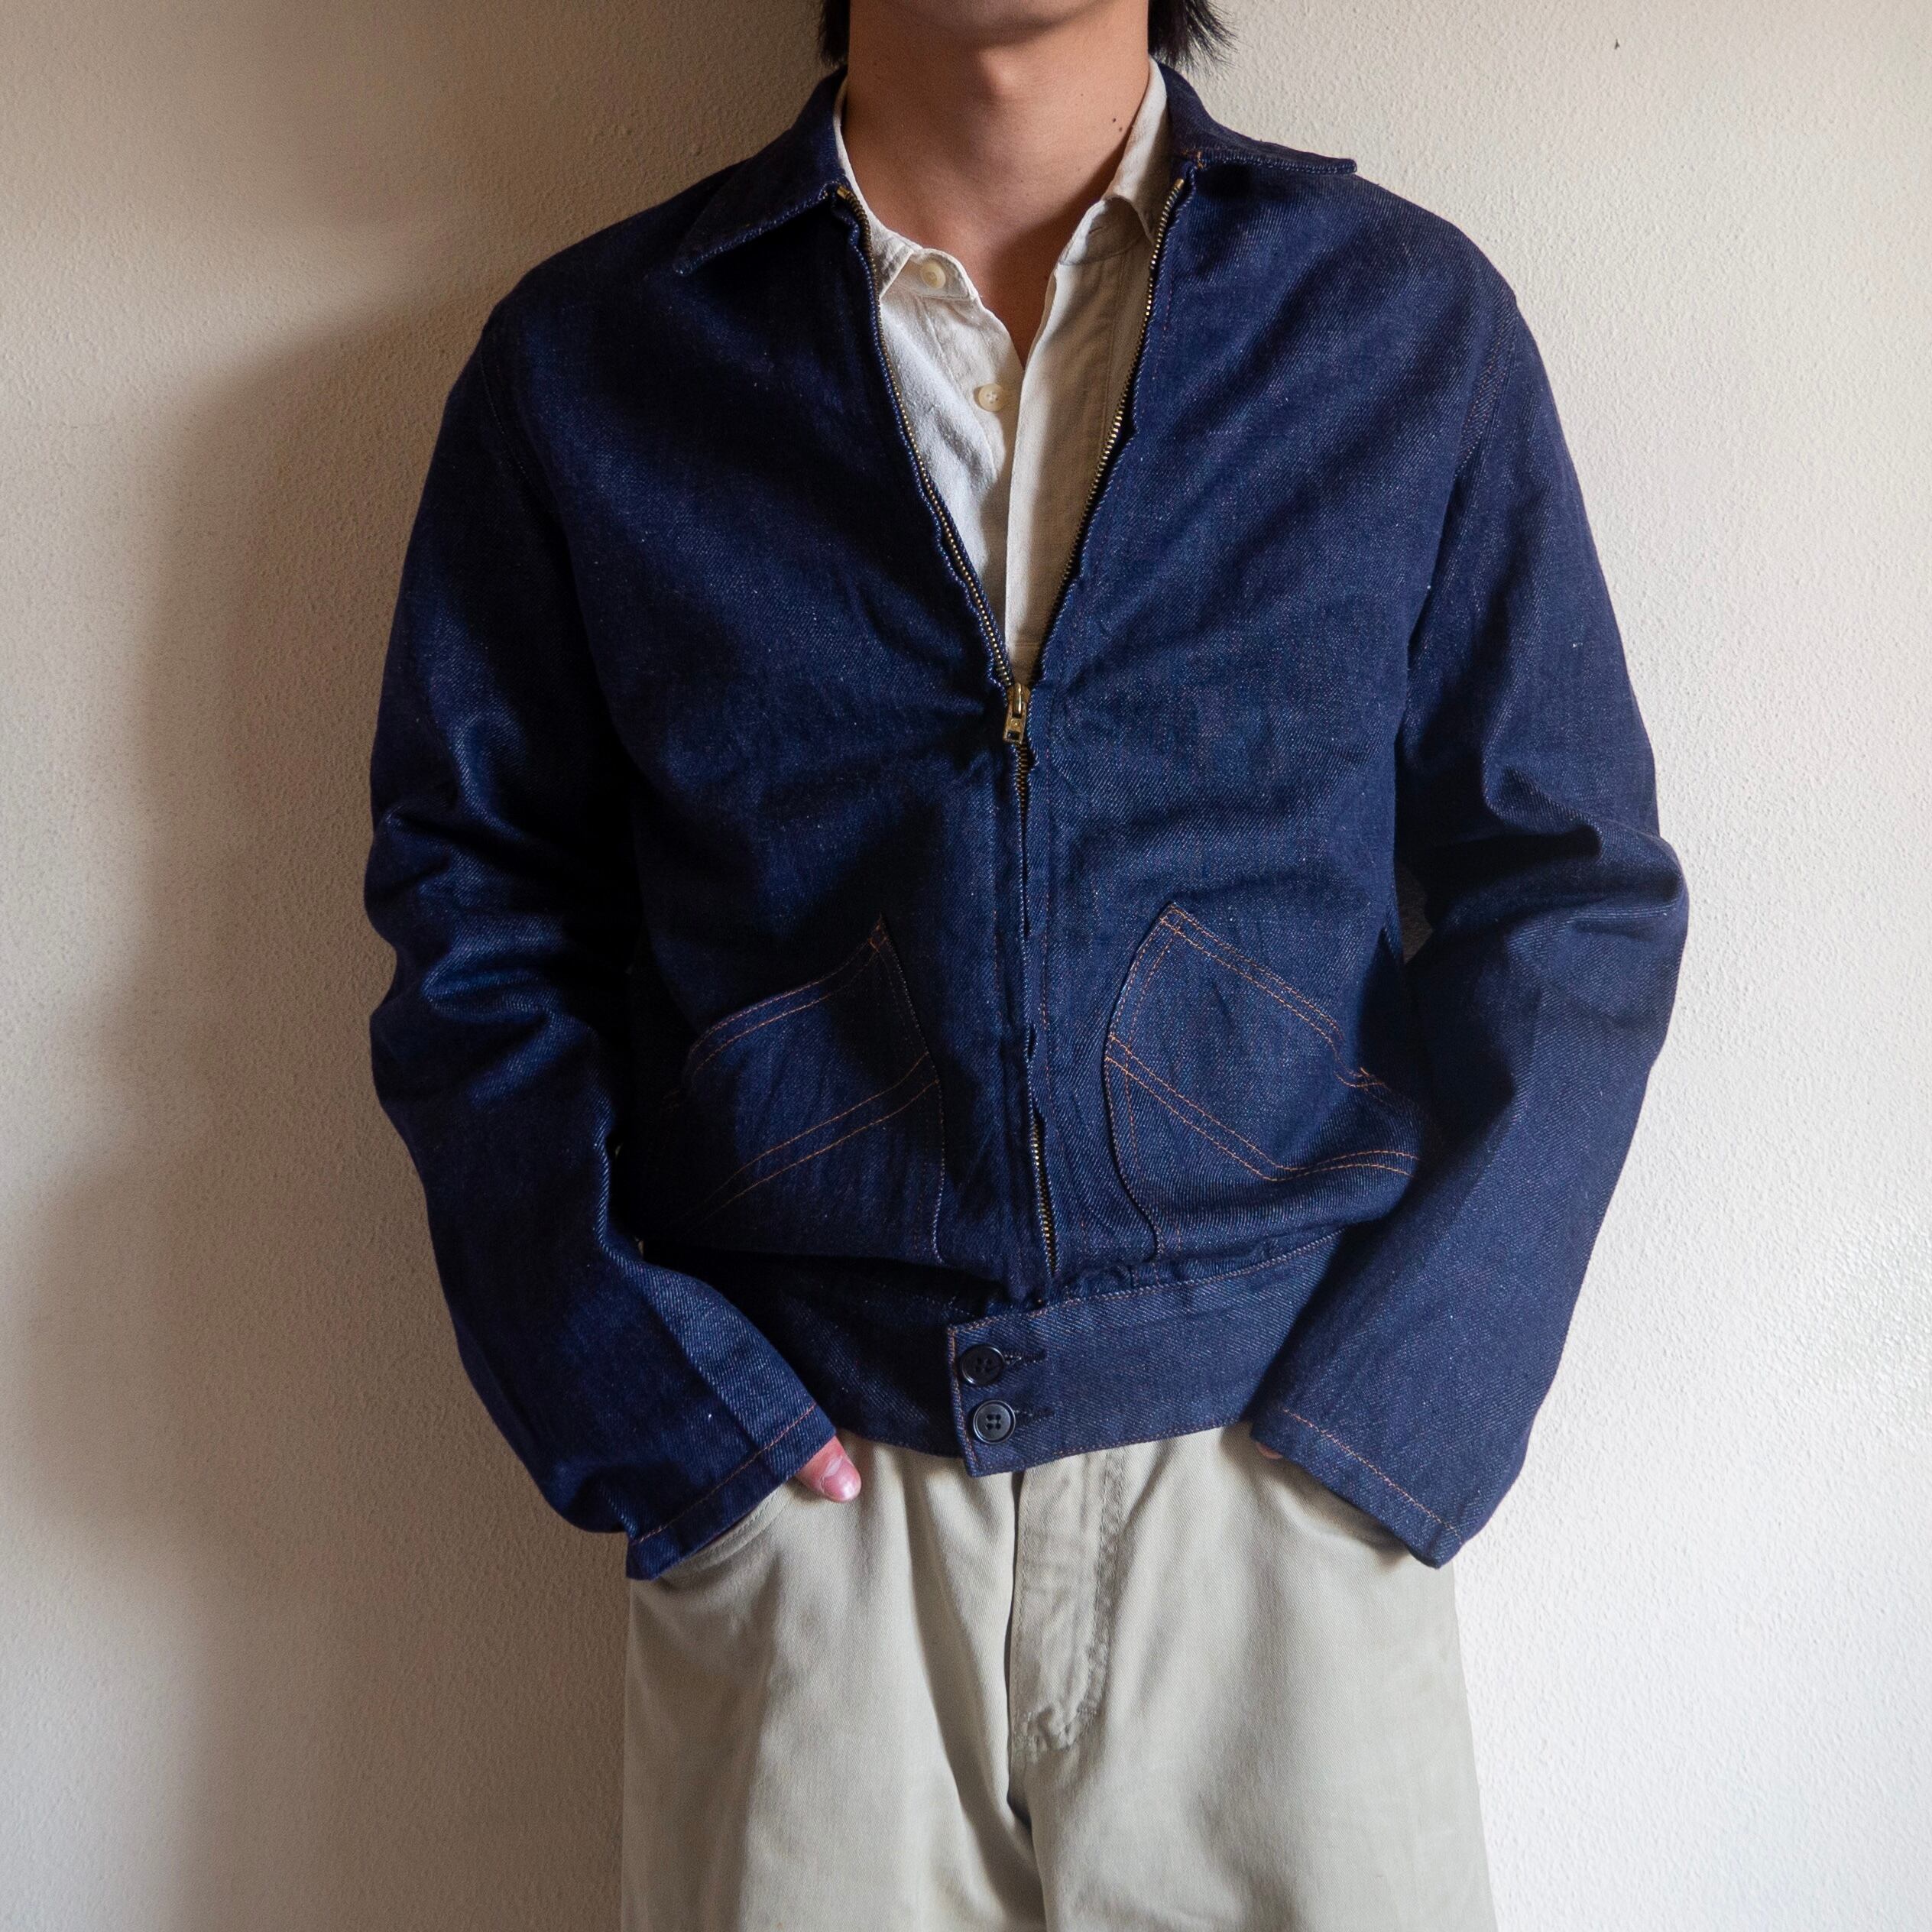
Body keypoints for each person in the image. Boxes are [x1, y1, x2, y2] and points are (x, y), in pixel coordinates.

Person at [364, 0, 1687, 1923]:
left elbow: (1569, 893)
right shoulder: (598, 363)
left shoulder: (1397, 328)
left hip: (1277, 1506)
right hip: (810, 1519)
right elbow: (477, 910)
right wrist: (655, 1415)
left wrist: (1403, 1423)